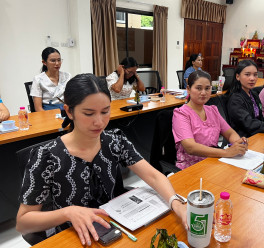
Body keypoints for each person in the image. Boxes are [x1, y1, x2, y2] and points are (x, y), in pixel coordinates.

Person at [16, 74, 186, 246]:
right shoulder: (47, 155)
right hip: (73, 234)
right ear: (69, 111)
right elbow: (23, 222)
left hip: (118, 228)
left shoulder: (115, 141)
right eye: (89, 113)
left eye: (105, 111)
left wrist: (177, 204)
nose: (99, 122)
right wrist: (68, 213)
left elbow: (154, 176)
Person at [172, 70, 248, 170]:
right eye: (198, 88)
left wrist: (238, 144)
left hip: (213, 162)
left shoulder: (213, 110)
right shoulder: (181, 114)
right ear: (188, 89)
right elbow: (190, 147)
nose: (203, 93)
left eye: (207, 88)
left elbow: (229, 133)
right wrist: (226, 152)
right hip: (191, 168)